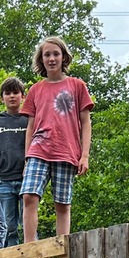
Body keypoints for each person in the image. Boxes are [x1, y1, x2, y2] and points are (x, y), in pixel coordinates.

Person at [21, 36, 94, 243]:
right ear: (41, 60)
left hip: (66, 150)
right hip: (38, 148)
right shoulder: (35, 90)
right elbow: (30, 126)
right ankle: (29, 247)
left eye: (56, 54)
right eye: (47, 55)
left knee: (62, 203)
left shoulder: (77, 85)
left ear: (63, 57)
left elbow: (86, 123)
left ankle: (62, 247)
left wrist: (85, 155)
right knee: (29, 195)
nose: (51, 58)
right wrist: (27, 158)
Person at [0, 77, 29, 247]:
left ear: (23, 96)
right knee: (8, 225)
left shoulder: (28, 120)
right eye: (7, 93)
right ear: (2, 98)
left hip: (27, 180)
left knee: (28, 222)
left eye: (15, 92)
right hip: (4, 181)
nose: (12, 96)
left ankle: (33, 256)